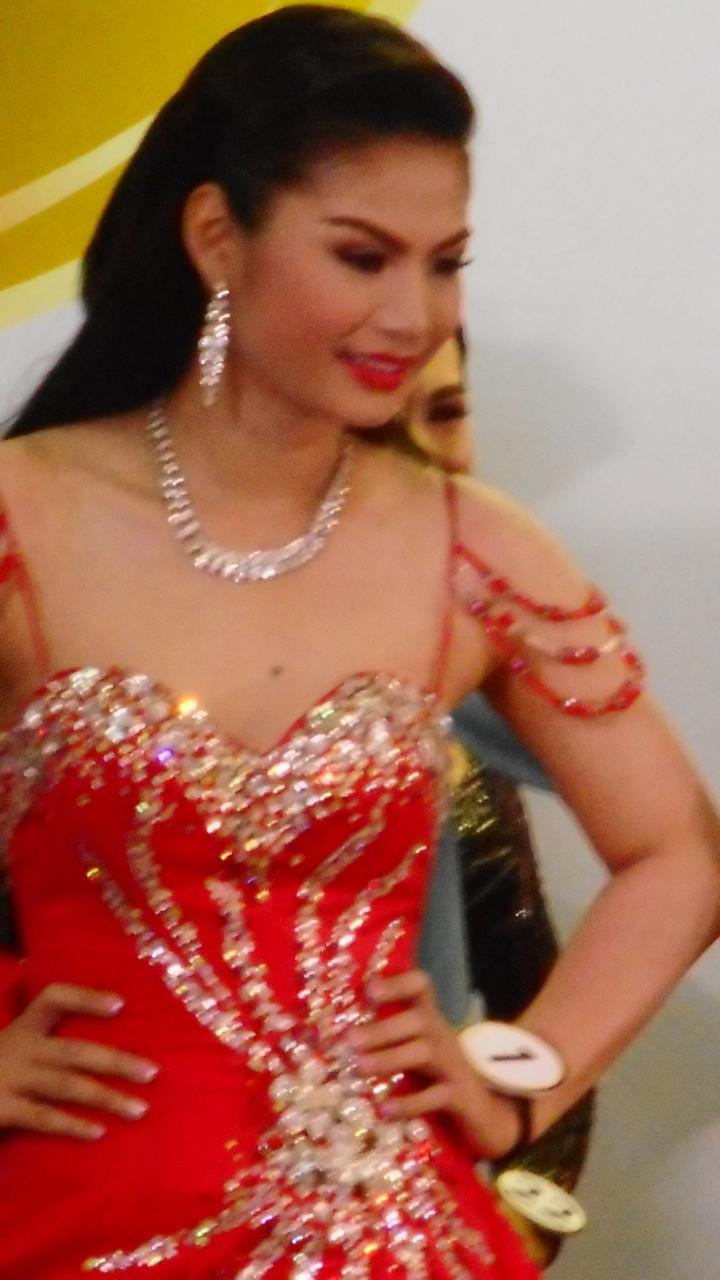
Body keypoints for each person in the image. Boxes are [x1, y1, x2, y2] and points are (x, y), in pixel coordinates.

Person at [0, 7, 718, 1278]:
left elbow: (677, 855)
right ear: (217, 235)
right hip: (74, 1208)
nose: (414, 313)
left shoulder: (470, 549)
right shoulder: (27, 517)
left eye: (445, 264)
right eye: (362, 256)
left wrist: (518, 1081)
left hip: (386, 1228)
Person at [408, 333, 594, 1269]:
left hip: (395, 1221)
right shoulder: (71, 623)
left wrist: (519, 1223)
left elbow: (680, 856)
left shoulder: (469, 683)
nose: (429, 461)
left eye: (446, 412)